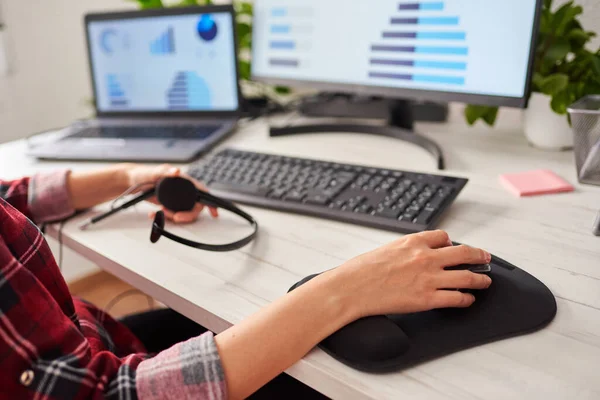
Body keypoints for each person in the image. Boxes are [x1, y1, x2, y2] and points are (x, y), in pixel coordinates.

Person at [0, 164, 492, 400]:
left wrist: (130, 178)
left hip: (94, 343)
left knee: (230, 316)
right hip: (107, 378)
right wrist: (345, 288)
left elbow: (11, 193)